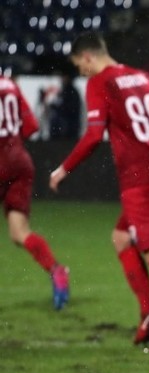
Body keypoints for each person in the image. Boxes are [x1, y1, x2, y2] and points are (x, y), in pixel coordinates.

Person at [48, 32, 149, 353]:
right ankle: (147, 316)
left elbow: (93, 135)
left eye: (79, 66)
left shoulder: (100, 83)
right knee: (122, 238)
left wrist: (63, 169)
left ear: (87, 57)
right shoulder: (142, 76)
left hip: (139, 180)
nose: (81, 72)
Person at [1, 75, 71, 310]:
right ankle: (56, 270)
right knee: (19, 233)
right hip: (19, 159)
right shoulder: (9, 84)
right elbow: (31, 126)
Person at [47, 72, 82, 140]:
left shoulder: (71, 92)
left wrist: (56, 107)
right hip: (68, 124)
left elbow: (70, 108)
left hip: (69, 125)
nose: (62, 79)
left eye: (64, 78)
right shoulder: (65, 90)